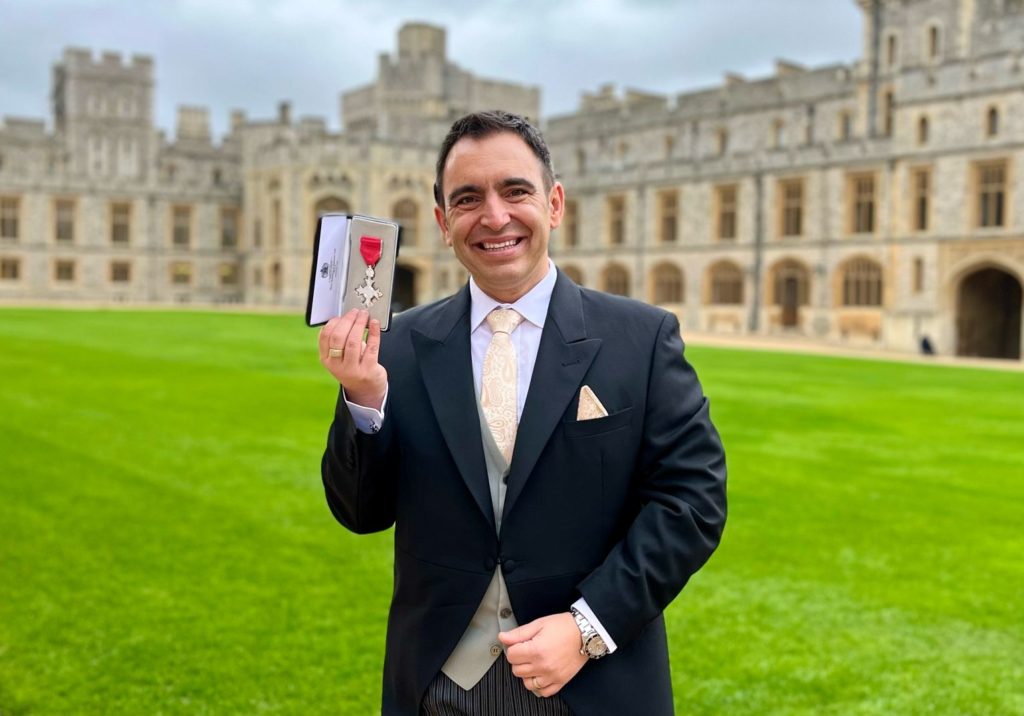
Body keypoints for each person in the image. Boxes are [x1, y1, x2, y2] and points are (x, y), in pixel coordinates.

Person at [318, 110, 727, 715]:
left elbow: (692, 501)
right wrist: (363, 398)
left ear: (554, 203)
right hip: (439, 686)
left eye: (516, 191)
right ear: (442, 222)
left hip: (594, 684)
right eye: (467, 199)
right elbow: (360, 514)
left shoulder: (640, 338)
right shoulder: (399, 344)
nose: (495, 216)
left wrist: (588, 628)